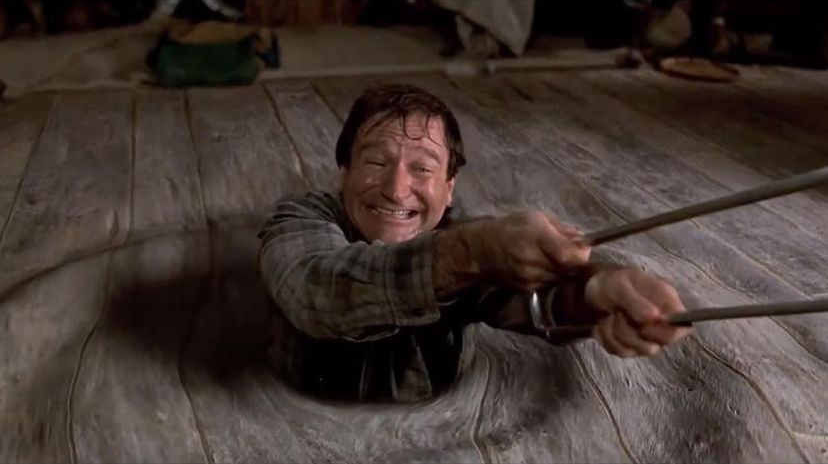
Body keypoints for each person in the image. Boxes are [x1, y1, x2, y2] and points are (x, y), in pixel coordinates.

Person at [257, 84, 691, 402]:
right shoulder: (302, 216)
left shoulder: (462, 236)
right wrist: (470, 253)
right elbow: (315, 291)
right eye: (376, 162)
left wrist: (596, 292)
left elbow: (530, 299)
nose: (396, 189)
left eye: (422, 170)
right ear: (345, 173)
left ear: (449, 188)